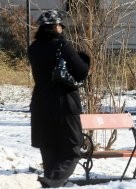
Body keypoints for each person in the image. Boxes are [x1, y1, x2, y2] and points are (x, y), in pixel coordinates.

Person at [27, 10, 90, 187]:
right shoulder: (63, 46)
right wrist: (84, 59)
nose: (62, 29)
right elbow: (81, 71)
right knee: (72, 150)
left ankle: (49, 181)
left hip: (40, 105)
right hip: (64, 105)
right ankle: (52, 181)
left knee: (49, 150)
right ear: (56, 27)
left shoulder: (33, 49)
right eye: (61, 26)